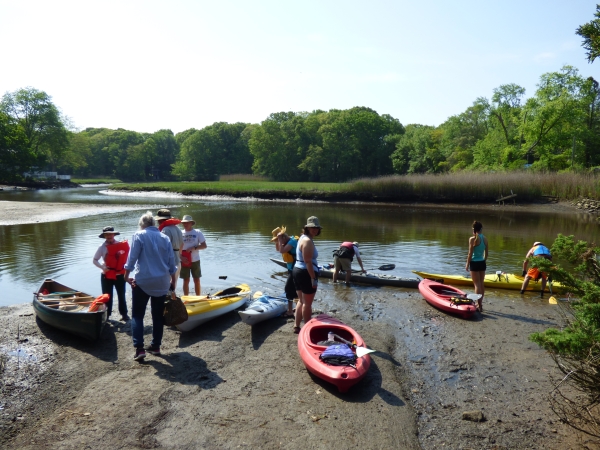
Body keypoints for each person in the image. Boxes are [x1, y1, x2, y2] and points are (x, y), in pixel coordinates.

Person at [124, 211, 177, 361]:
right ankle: (156, 346)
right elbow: (171, 262)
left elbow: (132, 258)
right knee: (157, 315)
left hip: (143, 280)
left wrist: (126, 276)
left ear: (142, 225)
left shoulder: (139, 235)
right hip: (162, 281)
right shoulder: (165, 237)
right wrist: (173, 281)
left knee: (137, 315)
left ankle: (140, 349)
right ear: (153, 224)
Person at [92, 226, 130, 321]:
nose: (109, 236)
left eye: (110, 234)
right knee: (107, 296)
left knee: (121, 294)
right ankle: (107, 315)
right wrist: (103, 267)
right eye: (106, 234)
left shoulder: (120, 245)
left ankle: (124, 314)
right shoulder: (102, 247)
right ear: (104, 236)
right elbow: (95, 260)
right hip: (106, 274)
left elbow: (126, 258)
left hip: (120, 275)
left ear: (114, 234)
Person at [292, 216, 322, 334]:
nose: (315, 230)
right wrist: (313, 278)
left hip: (297, 270)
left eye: (317, 228)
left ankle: (296, 326)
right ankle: (307, 330)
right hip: (306, 273)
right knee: (308, 304)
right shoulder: (308, 241)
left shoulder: (302, 238)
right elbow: (308, 262)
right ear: (307, 228)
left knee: (301, 300)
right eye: (312, 227)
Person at [155, 209, 184, 289]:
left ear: (161, 220)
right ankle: (173, 299)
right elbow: (182, 245)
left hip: (169, 264)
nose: (158, 223)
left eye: (158, 220)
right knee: (173, 286)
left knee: (165, 287)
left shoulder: (165, 230)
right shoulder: (178, 229)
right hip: (178, 262)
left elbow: (163, 249)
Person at [273, 226, 298, 318]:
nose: (279, 241)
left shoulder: (292, 241)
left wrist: (279, 238)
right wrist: (277, 241)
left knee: (288, 289)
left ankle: (290, 311)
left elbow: (282, 251)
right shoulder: (287, 241)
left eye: (279, 239)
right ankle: (297, 307)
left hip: (296, 269)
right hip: (292, 268)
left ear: (283, 237)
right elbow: (278, 249)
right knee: (296, 289)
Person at [180, 215, 207, 296]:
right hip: (184, 260)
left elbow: (204, 246)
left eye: (187, 223)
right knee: (186, 280)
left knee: (197, 280)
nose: (185, 224)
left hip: (195, 260)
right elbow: (177, 248)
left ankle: (198, 297)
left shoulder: (197, 232)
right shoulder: (180, 233)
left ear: (191, 223)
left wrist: (193, 248)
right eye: (184, 223)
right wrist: (181, 257)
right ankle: (186, 298)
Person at [465, 220, 488, 312]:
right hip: (482, 262)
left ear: (474, 229)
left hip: (474, 263)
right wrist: (483, 261)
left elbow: (470, 254)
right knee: (481, 283)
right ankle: (480, 304)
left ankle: (478, 305)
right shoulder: (485, 238)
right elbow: (486, 253)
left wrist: (467, 264)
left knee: (477, 284)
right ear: (481, 229)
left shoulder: (472, 239)